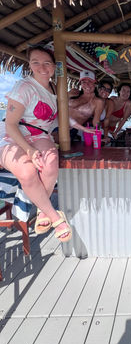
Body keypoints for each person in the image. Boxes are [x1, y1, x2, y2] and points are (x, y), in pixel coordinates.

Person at [0, 46, 71, 241]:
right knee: (27, 172)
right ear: (29, 65)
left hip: (40, 136)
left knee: (49, 166)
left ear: (53, 66)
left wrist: (82, 128)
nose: (42, 67)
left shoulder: (55, 88)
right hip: (11, 136)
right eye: (36, 62)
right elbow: (11, 125)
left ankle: (42, 212)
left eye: (47, 63)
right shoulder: (24, 87)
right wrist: (29, 151)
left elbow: (61, 120)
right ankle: (56, 217)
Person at [68, 70, 105, 138]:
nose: (87, 85)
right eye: (83, 82)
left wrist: (99, 134)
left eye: (90, 81)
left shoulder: (98, 101)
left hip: (70, 130)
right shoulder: (73, 92)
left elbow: (96, 121)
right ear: (81, 84)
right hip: (52, 123)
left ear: (95, 83)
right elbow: (58, 103)